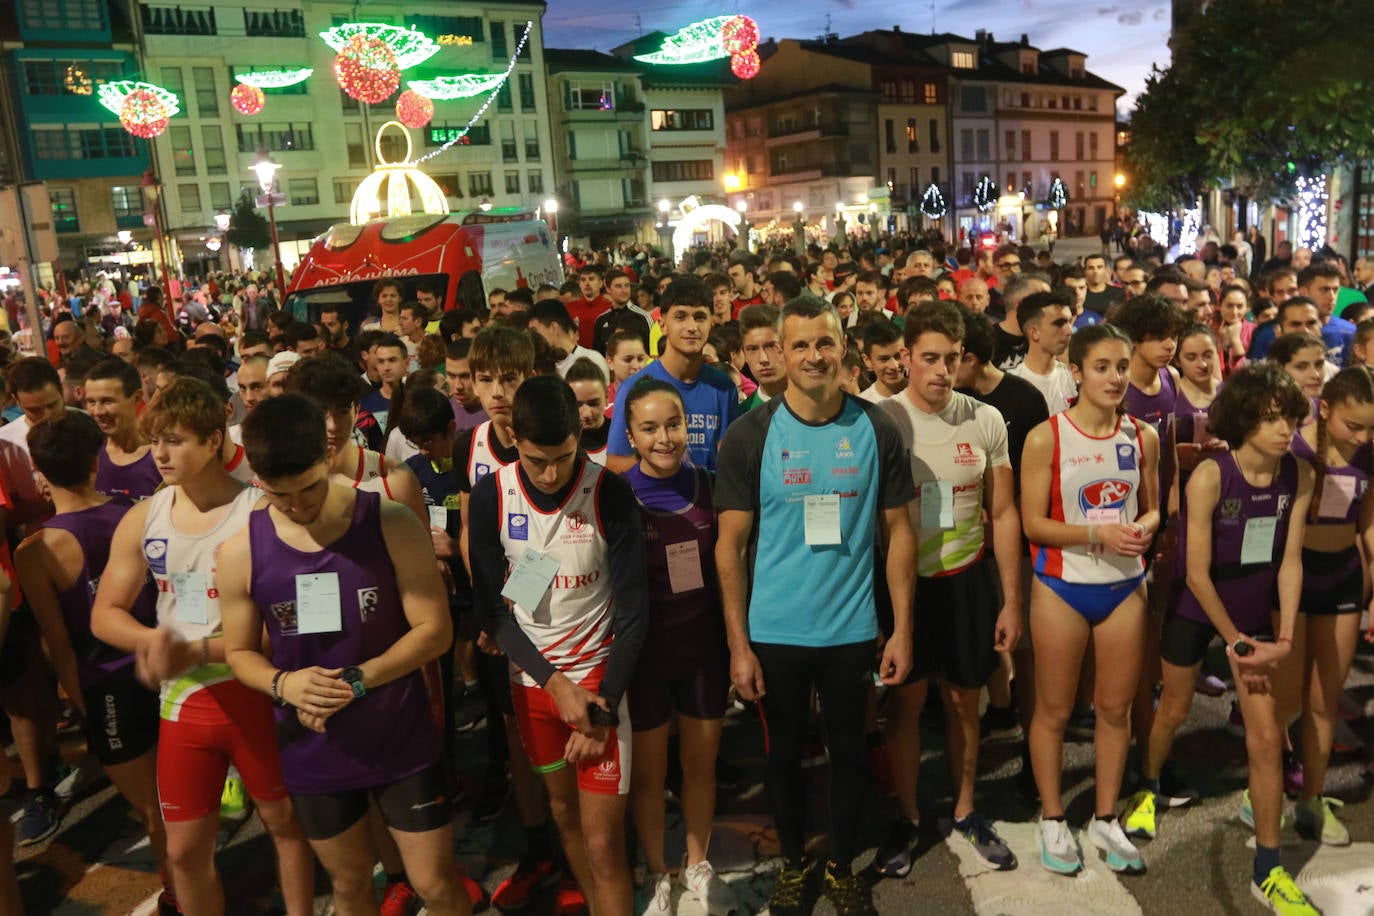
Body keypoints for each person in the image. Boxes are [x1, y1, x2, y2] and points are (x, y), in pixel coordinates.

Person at [217, 394, 470, 916]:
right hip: (313, 741)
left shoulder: (391, 522)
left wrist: (356, 679)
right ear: (257, 479)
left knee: (435, 882)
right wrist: (284, 685)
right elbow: (239, 652)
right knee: (350, 883)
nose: (298, 506)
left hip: (399, 731)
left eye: (309, 488)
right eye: (279, 495)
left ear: (328, 456)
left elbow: (435, 631)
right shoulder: (241, 549)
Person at [715, 297, 916, 916]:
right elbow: (730, 547)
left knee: (852, 754)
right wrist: (738, 645)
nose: (811, 356)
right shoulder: (750, 435)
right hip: (775, 633)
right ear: (777, 351)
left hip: (853, 629)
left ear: (843, 348)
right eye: (798, 345)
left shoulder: (876, 426)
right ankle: (797, 867)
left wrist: (902, 627)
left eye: (823, 343)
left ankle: (839, 866)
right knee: (781, 759)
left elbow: (900, 534)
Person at [90, 377, 315, 916]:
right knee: (186, 850)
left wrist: (198, 652)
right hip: (184, 702)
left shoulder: (260, 512)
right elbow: (104, 614)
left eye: (175, 440)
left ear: (215, 440)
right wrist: (154, 641)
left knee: (287, 828)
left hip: (254, 695)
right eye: (155, 440)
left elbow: (290, 623)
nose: (160, 453)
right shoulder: (145, 516)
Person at [1133, 363, 1318, 914]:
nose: (1285, 429)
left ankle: (1269, 865)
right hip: (1200, 605)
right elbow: (1194, 573)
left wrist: (1282, 637)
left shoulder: (1301, 475)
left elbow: (1290, 561)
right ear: (1242, 422)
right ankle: (1146, 787)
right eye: (1270, 419)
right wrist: (1235, 640)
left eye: (1289, 417)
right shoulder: (1212, 474)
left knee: (1265, 740)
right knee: (1174, 710)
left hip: (1254, 612)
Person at [469, 375, 648, 916]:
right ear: (512, 439)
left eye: (564, 458)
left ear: (580, 436)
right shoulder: (490, 494)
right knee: (565, 818)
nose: (550, 474)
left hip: (597, 686)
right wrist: (553, 683)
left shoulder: (608, 491)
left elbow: (637, 614)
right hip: (534, 686)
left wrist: (603, 703)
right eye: (535, 460)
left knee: (603, 844)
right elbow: (493, 612)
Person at [873, 302, 1021, 878]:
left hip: (966, 580)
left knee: (965, 701)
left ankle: (964, 810)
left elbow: (1003, 514)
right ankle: (908, 817)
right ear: (905, 357)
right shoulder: (881, 419)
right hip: (903, 587)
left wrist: (1010, 598)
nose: (940, 369)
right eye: (929, 357)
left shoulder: (985, 420)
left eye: (951, 358)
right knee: (904, 705)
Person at [16, 413, 175, 911]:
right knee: (182, 800)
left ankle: (181, 894)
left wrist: (85, 708)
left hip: (107, 685)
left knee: (154, 811)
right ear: (94, 460)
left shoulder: (36, 550)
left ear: (39, 472)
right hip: (167, 666)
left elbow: (59, 645)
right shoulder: (139, 511)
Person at [1021, 324, 1161, 876]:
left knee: (1116, 709)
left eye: (1122, 366)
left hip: (1125, 585)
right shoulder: (1046, 437)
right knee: (1054, 711)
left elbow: (1154, 507)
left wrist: (1142, 528)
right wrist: (1096, 536)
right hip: (1061, 585)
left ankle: (1105, 816)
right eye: (1101, 367)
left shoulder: (1142, 435)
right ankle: (1053, 817)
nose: (1115, 377)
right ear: (1076, 372)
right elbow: (1033, 523)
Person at [619, 379, 738, 916]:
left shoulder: (710, 485)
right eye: (649, 428)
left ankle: (696, 863)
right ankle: (653, 867)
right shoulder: (617, 495)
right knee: (647, 775)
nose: (664, 438)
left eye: (673, 425)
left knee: (700, 766)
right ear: (630, 434)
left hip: (702, 650)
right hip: (644, 657)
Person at [1287, 367, 1374, 846]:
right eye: (1353, 426)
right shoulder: (1295, 448)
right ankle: (1260, 794)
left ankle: (1312, 799)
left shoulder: (1371, 455)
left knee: (1323, 702)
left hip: (1342, 578)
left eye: (1371, 428)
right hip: (1293, 581)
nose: (1362, 437)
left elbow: (1368, 525)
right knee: (1281, 703)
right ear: (1325, 409)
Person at [605, 278, 739, 473]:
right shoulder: (634, 388)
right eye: (681, 317)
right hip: (653, 502)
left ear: (711, 323)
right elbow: (616, 464)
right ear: (662, 325)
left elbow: (728, 461)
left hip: (707, 500)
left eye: (700, 317)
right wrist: (667, 473)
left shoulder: (723, 387)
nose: (692, 326)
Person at [286, 353, 426, 524]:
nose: (332, 425)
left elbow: (419, 549)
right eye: (320, 411)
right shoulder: (282, 482)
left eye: (342, 411)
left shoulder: (396, 479)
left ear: (357, 411)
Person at [85, 358, 161, 500]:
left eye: (107, 401)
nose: (98, 411)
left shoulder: (162, 455)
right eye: (91, 402)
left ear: (137, 398)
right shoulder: (86, 454)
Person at [1007, 291, 1077, 415]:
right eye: (1059, 323)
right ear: (1034, 332)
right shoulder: (1010, 385)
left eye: (1069, 322)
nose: (1069, 331)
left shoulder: (1075, 380)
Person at [529, 300, 610, 382]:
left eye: (535, 330)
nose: (533, 336)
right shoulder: (539, 366)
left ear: (553, 327)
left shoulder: (591, 360)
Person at [737, 304, 786, 412]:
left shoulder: (817, 405)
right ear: (744, 354)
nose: (763, 359)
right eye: (753, 349)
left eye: (770, 346)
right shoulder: (739, 416)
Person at [358, 334, 408, 433]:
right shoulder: (365, 404)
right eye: (381, 361)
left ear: (407, 363)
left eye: (392, 360)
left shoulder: (416, 401)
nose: (386, 368)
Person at [565, 357, 611, 464]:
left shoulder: (622, 436)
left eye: (593, 404)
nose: (587, 413)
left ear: (607, 397)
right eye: (578, 405)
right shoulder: (559, 442)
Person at [444, 338, 488, 432]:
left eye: (465, 376)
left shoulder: (498, 415)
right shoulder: (444, 411)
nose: (458, 386)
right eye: (451, 376)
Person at [858, 319, 907, 403]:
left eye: (898, 356)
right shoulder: (860, 409)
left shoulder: (927, 396)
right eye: (884, 359)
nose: (894, 366)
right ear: (867, 360)